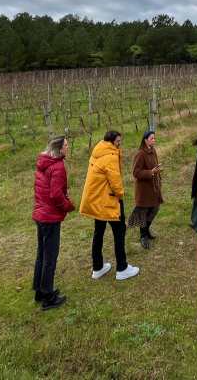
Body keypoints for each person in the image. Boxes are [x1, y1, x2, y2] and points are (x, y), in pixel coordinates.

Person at [79, 130, 140, 281]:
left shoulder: (99, 151)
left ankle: (97, 267)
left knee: (98, 232)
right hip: (108, 201)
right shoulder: (110, 156)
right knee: (119, 231)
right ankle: (122, 268)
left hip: (97, 200)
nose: (120, 144)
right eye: (118, 141)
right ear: (111, 141)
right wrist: (120, 195)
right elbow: (115, 181)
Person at [32, 135, 76, 310]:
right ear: (59, 148)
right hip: (50, 218)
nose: (68, 147)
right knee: (50, 257)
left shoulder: (43, 163)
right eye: (65, 145)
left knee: (41, 255)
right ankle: (48, 297)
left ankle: (40, 291)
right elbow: (56, 195)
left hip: (40, 215)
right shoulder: (57, 167)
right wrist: (68, 206)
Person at [129, 130, 163, 249]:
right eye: (152, 138)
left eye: (154, 138)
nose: (154, 140)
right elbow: (136, 172)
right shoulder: (140, 154)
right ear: (145, 140)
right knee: (143, 212)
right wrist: (150, 172)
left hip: (153, 187)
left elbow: (154, 167)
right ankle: (143, 236)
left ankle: (147, 230)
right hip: (144, 189)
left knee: (155, 208)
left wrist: (157, 171)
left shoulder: (153, 151)